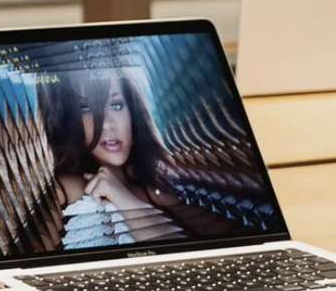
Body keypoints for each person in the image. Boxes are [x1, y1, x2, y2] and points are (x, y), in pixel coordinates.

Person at [43, 70, 239, 249]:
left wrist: (124, 200)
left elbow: (203, 257)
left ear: (133, 114)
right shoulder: (66, 188)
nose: (107, 124)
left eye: (116, 105)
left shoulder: (164, 186)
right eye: (86, 108)